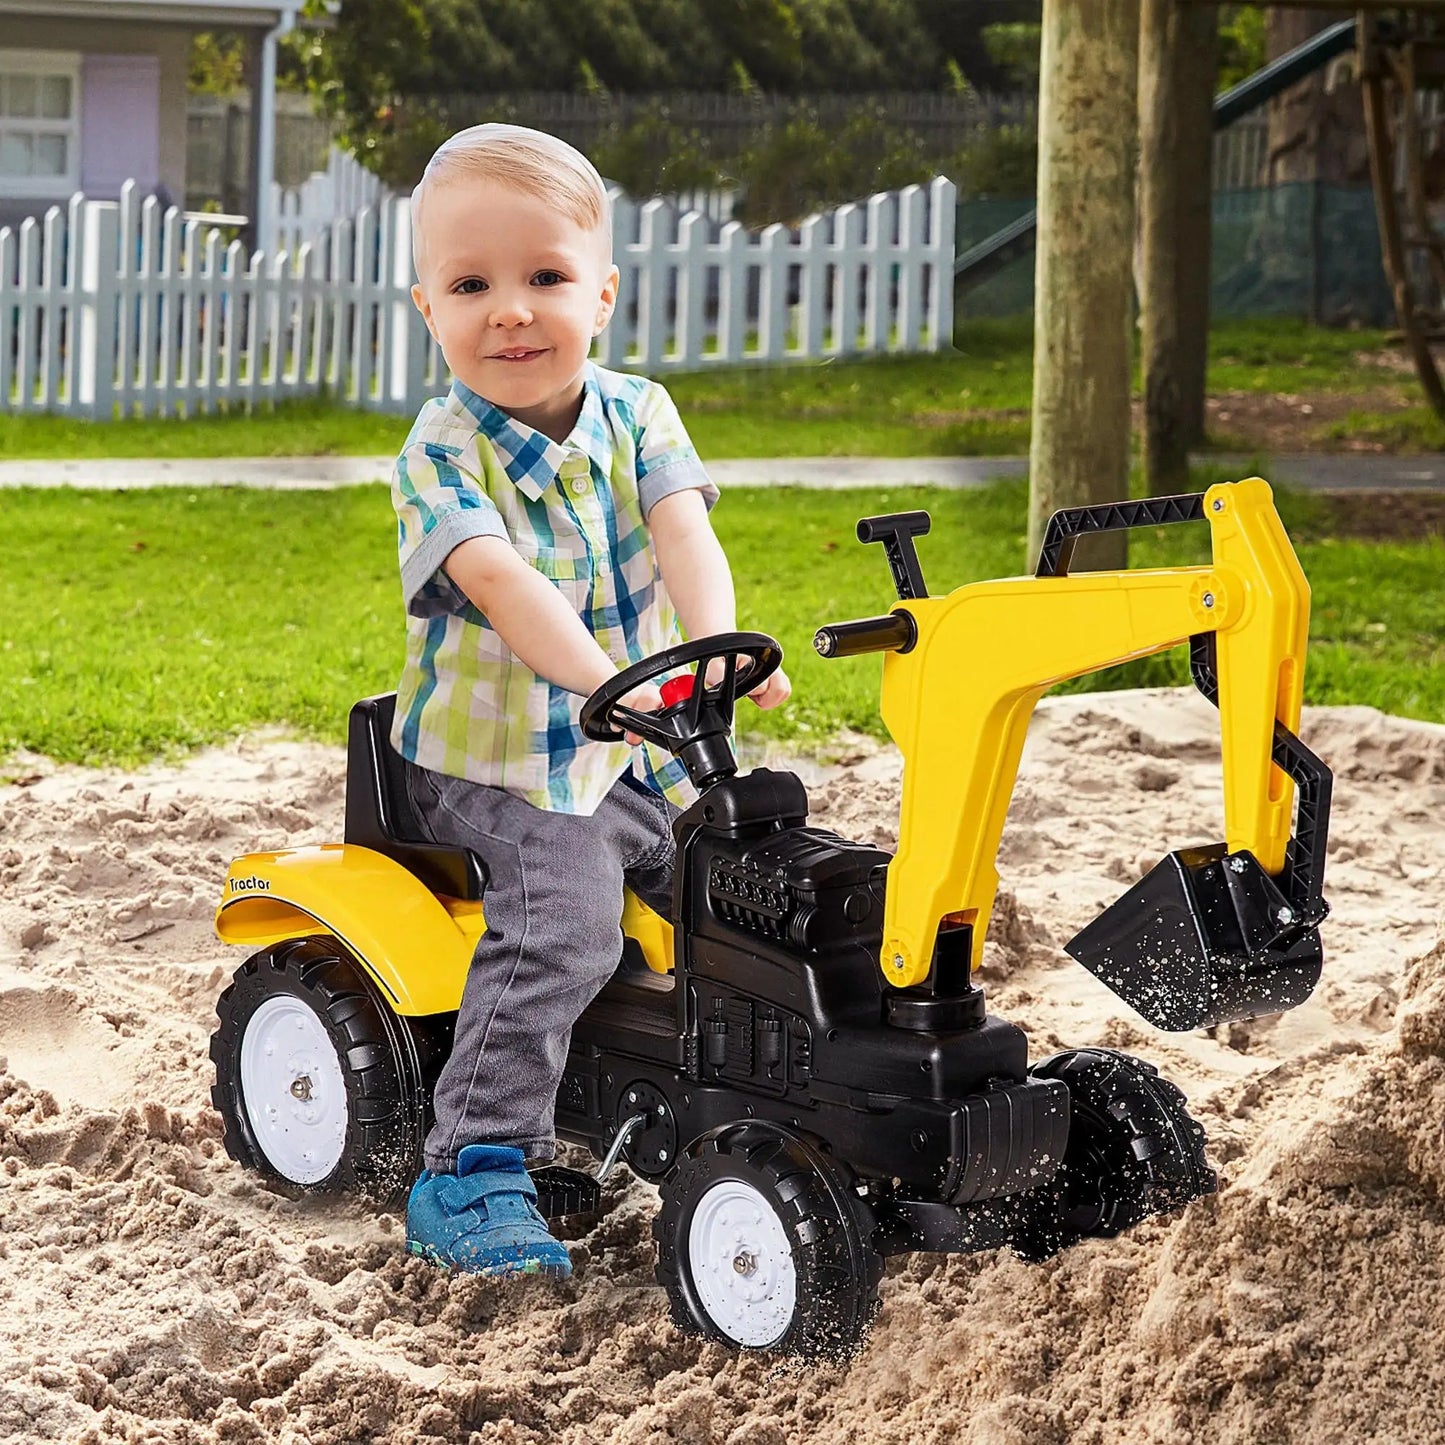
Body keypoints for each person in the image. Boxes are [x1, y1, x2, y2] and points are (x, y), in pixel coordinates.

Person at [391, 124, 790, 1278]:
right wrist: (603, 680)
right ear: (429, 308)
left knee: (759, 875)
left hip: (642, 748)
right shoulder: (440, 454)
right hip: (498, 769)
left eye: (545, 278)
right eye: (471, 285)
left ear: (602, 293)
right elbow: (502, 582)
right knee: (566, 917)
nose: (509, 310)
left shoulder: (638, 413)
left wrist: (711, 648)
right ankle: (471, 1164)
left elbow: (682, 529)